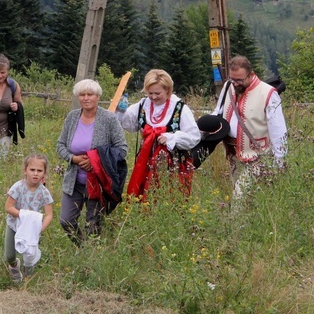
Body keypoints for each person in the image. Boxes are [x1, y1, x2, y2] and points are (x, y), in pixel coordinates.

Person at [57, 79, 127, 245]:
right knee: (66, 221)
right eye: (82, 94)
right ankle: (82, 248)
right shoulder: (72, 117)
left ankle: (90, 258)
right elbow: (60, 145)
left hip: (98, 182)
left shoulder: (109, 119)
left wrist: (96, 159)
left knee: (93, 225)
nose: (86, 98)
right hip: (74, 181)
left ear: (98, 97)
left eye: (90, 94)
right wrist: (73, 158)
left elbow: (122, 149)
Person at [214, 55, 288, 201]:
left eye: (240, 80)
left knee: (239, 197)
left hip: (258, 157)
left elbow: (279, 131)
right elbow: (218, 111)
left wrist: (279, 163)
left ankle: (235, 223)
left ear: (251, 74)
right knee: (247, 198)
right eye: (233, 79)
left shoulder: (268, 93)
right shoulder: (228, 86)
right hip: (234, 154)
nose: (235, 84)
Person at [121, 69, 200, 198]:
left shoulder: (179, 108)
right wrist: (120, 110)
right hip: (145, 163)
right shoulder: (143, 105)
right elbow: (130, 126)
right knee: (143, 198)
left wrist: (172, 138)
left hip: (173, 165)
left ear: (168, 90)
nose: (153, 97)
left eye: (158, 93)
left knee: (169, 197)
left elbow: (194, 137)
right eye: (150, 93)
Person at [4, 153, 54, 282]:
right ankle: (14, 267)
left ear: (44, 173)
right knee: (9, 255)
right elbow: (8, 207)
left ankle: (27, 281)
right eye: (32, 170)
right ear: (25, 170)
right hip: (14, 225)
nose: (35, 174)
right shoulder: (18, 187)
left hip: (32, 229)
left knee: (30, 256)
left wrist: (40, 228)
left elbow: (49, 214)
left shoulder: (44, 192)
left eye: (39, 171)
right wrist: (23, 215)